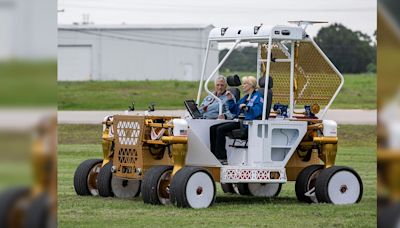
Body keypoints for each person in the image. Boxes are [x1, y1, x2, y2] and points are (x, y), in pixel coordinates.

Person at [209, 76, 264, 163]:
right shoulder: (245, 97)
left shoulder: (258, 97)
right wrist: (230, 100)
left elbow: (258, 110)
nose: (243, 85)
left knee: (220, 129)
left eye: (245, 83)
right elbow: (235, 110)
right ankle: (214, 155)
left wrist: (247, 108)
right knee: (213, 128)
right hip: (240, 121)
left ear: (251, 85)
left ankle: (222, 158)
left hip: (247, 124)